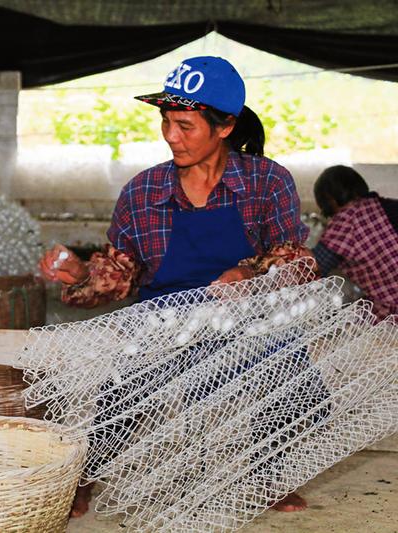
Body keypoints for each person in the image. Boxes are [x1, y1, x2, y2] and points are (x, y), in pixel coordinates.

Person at [39, 56, 315, 516]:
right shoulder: (143, 191)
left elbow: (296, 259)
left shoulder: (267, 182)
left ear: (225, 127)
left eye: (185, 125)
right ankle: (85, 475)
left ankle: (270, 471)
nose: (170, 136)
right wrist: (83, 275)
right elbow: (122, 272)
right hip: (167, 319)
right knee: (123, 390)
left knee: (289, 365)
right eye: (166, 122)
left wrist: (249, 274)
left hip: (248, 318)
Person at [312, 165, 398, 319]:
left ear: (330, 200)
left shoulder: (343, 225)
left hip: (392, 315)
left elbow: (311, 271)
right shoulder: (391, 206)